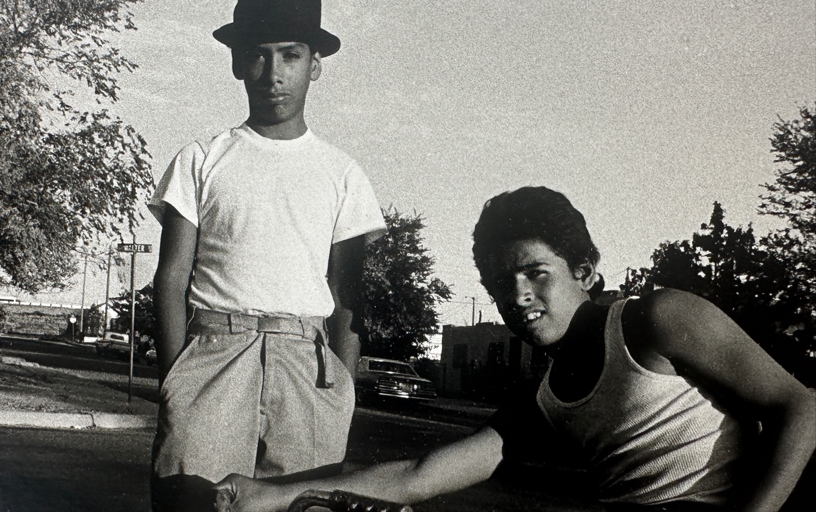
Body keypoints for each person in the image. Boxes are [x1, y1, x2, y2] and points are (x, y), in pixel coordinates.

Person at [215, 186, 816, 512]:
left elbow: (802, 406)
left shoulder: (658, 318)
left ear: (584, 269)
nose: (519, 297)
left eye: (536, 274)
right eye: (502, 285)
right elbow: (420, 475)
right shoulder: (545, 400)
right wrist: (271, 493)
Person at [147, 0, 386, 511]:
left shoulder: (343, 173)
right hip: (214, 352)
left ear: (316, 64)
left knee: (304, 504)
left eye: (291, 54)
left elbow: (349, 299)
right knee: (192, 500)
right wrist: (174, 383)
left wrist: (340, 392)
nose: (273, 72)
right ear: (236, 61)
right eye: (257, 52)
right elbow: (172, 277)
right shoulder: (202, 159)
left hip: (309, 365)